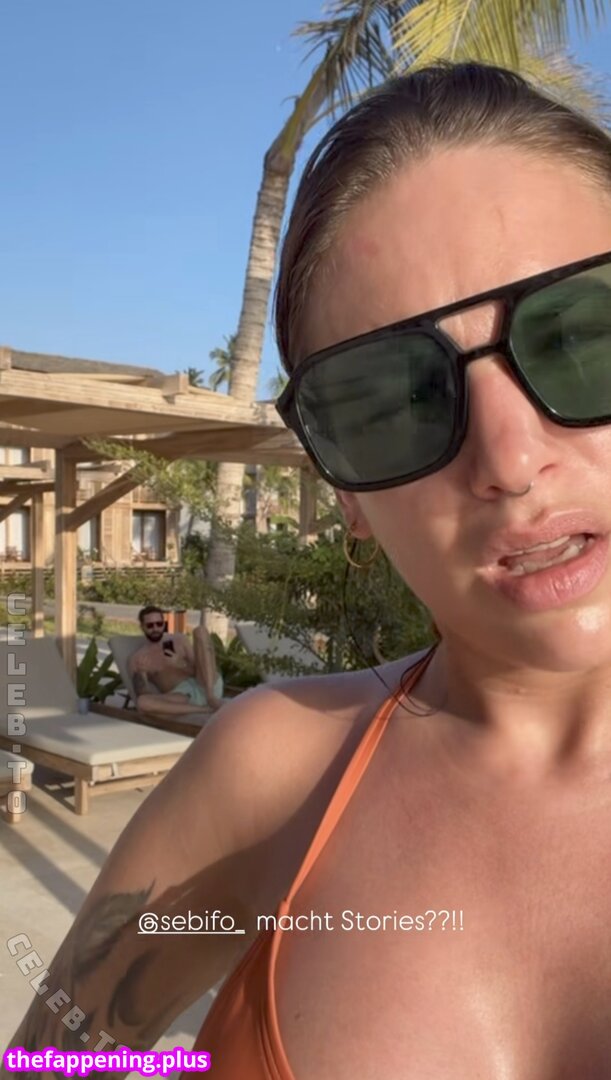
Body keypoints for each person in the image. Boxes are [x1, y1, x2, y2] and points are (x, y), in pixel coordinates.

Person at [3, 59, 611, 1079]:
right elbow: (62, 1058)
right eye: (392, 402)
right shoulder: (276, 773)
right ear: (344, 492)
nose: (509, 460)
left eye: (578, 338)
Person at [128, 605, 224, 715]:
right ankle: (205, 709)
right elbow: (143, 693)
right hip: (180, 696)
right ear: (142, 627)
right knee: (142, 702)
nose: (155, 629)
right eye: (150, 625)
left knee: (200, 631)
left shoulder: (179, 640)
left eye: (159, 624)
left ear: (164, 624)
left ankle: (211, 697)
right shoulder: (138, 658)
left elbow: (201, 670)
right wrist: (141, 673)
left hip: (204, 684)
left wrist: (180, 664)